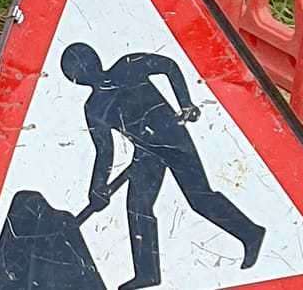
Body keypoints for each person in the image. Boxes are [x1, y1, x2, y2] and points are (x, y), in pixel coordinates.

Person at [61, 42, 265, 289]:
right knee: (138, 207)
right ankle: (147, 273)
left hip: (173, 139)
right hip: (146, 154)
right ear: (75, 80)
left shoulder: (128, 66)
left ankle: (251, 233)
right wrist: (98, 187)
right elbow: (104, 151)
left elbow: (168, 66)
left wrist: (185, 103)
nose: (85, 72)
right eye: (78, 71)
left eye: (83, 66)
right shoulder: (94, 108)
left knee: (199, 198)